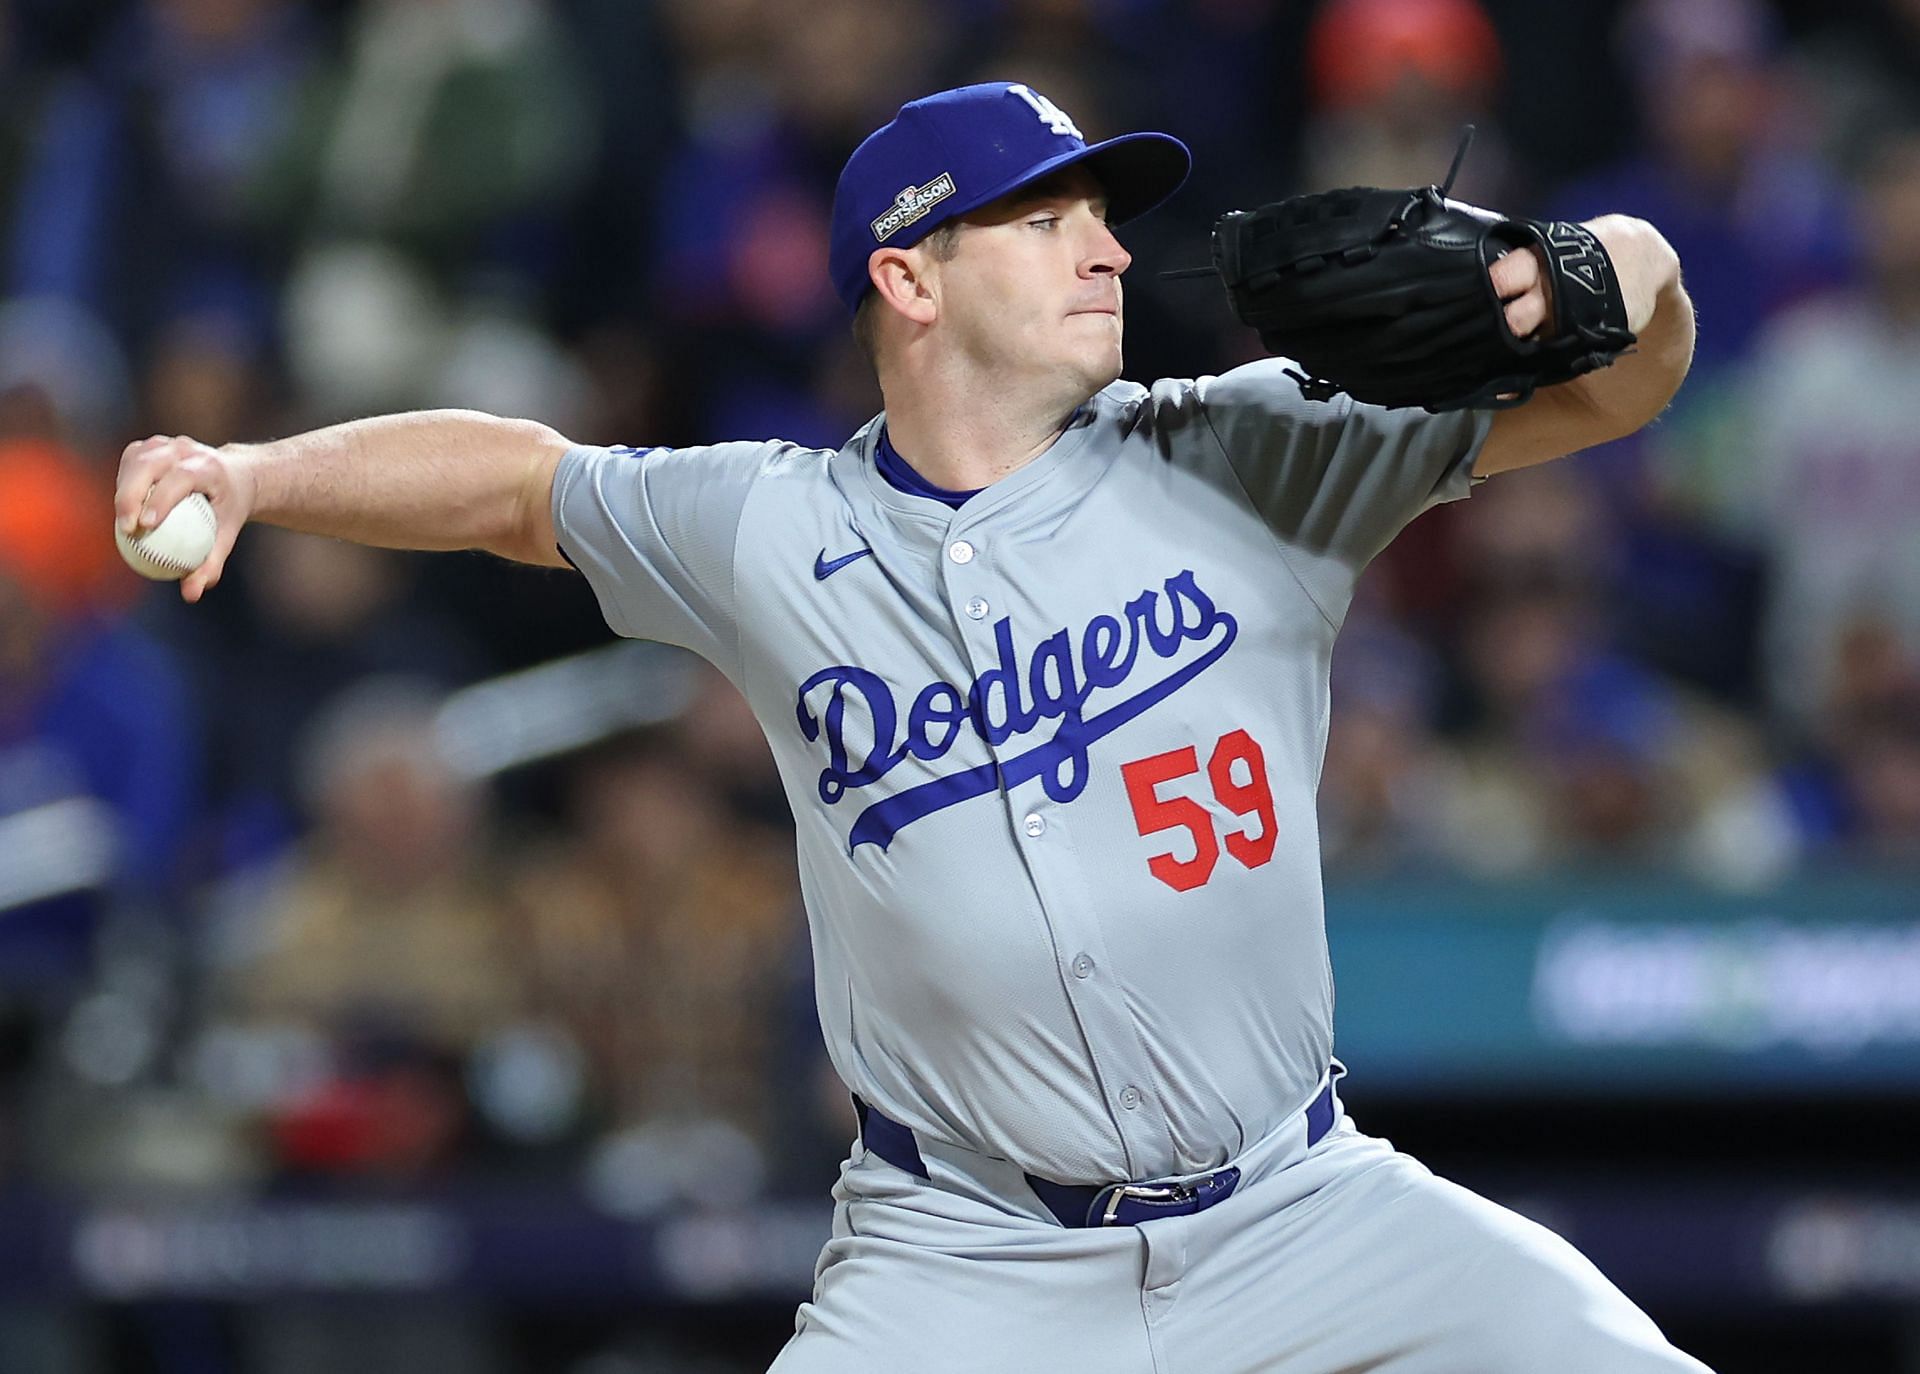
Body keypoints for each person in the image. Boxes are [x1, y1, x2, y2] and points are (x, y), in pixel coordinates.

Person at [116, 81, 1706, 1374]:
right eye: (1047, 217)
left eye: (1103, 215)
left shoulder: (1251, 449)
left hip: (1304, 1211)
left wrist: (1608, 261)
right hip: (966, 1261)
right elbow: (515, 484)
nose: (1104, 251)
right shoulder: (768, 529)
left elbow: (1628, 383)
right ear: (909, 273)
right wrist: (256, 475)